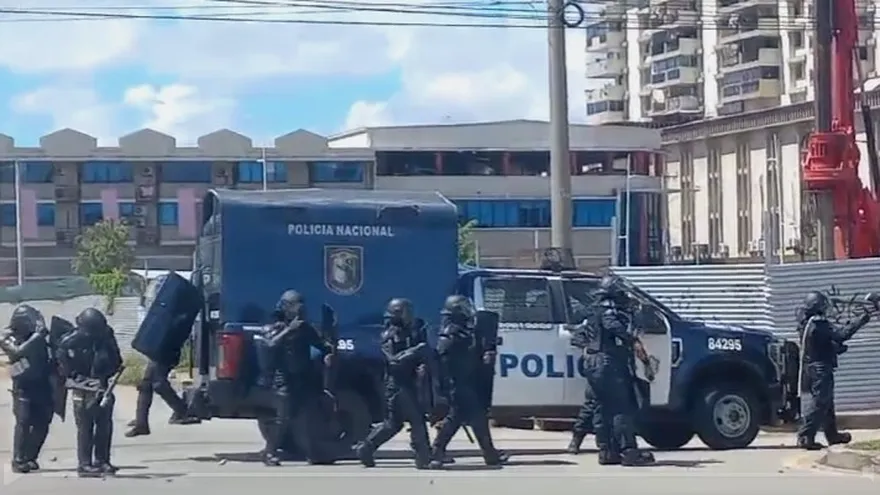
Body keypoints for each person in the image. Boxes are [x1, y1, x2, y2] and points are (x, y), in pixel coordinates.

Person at [429, 295, 507, 469]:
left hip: (467, 383)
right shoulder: (449, 335)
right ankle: (489, 454)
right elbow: (449, 364)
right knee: (474, 419)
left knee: (458, 418)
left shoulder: (463, 331)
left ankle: (438, 451)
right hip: (458, 384)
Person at [258, 290, 335, 466]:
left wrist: (329, 351)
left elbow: (322, 345)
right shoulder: (274, 327)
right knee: (283, 418)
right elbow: (269, 345)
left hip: (302, 378)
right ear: (284, 307)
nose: (298, 308)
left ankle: (312, 452)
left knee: (305, 417)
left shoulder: (305, 328)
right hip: (283, 379)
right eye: (293, 305)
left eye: (300, 305)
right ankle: (269, 452)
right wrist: (288, 330)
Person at [583, 275, 654, 466]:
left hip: (592, 361)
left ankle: (607, 451)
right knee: (621, 406)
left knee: (602, 407)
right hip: (608, 362)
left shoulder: (593, 308)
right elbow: (612, 325)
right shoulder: (608, 308)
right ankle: (628, 451)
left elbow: (581, 334)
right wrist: (632, 339)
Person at [356, 298, 433, 469]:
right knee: (417, 419)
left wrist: (421, 361)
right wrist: (416, 351)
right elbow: (393, 361)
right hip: (398, 384)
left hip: (407, 382)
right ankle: (424, 457)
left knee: (393, 424)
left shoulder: (411, 332)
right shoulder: (390, 335)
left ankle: (366, 448)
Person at [796, 291, 870, 450]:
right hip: (820, 368)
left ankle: (833, 435)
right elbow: (841, 334)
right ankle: (805, 436)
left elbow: (818, 344)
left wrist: (834, 349)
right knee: (820, 402)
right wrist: (860, 321)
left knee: (827, 404)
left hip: (814, 366)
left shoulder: (806, 322)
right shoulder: (818, 323)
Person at [57, 308, 124, 477]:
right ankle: (84, 464)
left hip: (103, 386)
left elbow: (116, 359)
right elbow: (63, 366)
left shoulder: (106, 335)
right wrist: (77, 378)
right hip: (82, 388)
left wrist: (106, 374)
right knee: (85, 426)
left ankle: (103, 460)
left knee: (105, 425)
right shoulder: (69, 341)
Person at [0, 305, 54, 473]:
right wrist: (38, 337)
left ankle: (30, 456)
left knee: (43, 422)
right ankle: (18, 459)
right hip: (23, 387)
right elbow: (17, 353)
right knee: (24, 421)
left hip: (42, 384)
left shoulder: (39, 337)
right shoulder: (7, 336)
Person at [125, 346, 200, 437]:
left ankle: (182, 411)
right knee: (146, 385)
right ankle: (141, 422)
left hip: (166, 350)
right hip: (160, 351)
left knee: (158, 384)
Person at [564, 320, 595, 454]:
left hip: (618, 366)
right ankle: (576, 440)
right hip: (600, 367)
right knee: (591, 404)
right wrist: (591, 348)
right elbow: (577, 338)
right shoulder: (602, 315)